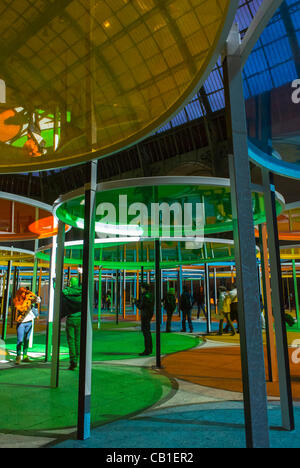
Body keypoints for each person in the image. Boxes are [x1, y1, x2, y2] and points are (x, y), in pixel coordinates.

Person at [13, 287, 41, 365]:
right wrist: (27, 300)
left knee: (26, 340)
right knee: (20, 341)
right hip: (21, 323)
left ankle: (25, 356)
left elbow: (38, 300)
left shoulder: (29, 299)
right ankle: (18, 357)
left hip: (29, 322)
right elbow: (22, 309)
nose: (25, 294)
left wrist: (33, 295)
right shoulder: (17, 301)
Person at [61, 277, 82, 370]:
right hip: (80, 319)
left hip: (70, 319)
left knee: (71, 341)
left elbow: (60, 293)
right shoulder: (82, 292)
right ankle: (77, 359)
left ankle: (73, 361)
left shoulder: (67, 292)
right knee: (78, 341)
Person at [132, 283, 154, 356]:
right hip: (149, 314)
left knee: (145, 333)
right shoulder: (151, 295)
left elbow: (140, 306)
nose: (141, 290)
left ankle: (147, 350)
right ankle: (150, 349)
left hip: (145, 315)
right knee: (148, 332)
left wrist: (135, 302)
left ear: (144, 288)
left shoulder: (144, 296)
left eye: (141, 288)